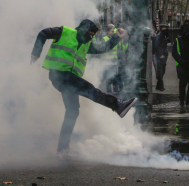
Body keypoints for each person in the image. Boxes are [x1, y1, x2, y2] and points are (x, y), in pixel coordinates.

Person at [30, 19, 137, 159]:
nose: (91, 37)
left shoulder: (86, 43)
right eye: (90, 33)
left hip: (69, 78)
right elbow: (43, 33)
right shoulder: (64, 32)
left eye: (93, 34)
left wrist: (117, 36)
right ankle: (117, 105)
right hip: (59, 75)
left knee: (73, 111)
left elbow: (103, 48)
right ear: (83, 29)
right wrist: (36, 52)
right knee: (91, 90)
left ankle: (63, 149)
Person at [172, 25, 189, 113]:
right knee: (183, 85)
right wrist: (181, 61)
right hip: (183, 66)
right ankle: (182, 100)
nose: (187, 34)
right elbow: (174, 53)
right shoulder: (179, 41)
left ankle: (188, 100)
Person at [100, 24, 120, 93]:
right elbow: (103, 49)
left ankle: (116, 91)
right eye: (111, 31)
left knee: (115, 77)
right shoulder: (104, 39)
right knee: (108, 77)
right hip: (107, 61)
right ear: (108, 31)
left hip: (114, 61)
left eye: (113, 31)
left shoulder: (115, 38)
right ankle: (109, 92)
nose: (113, 33)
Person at [153, 24, 170, 91]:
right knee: (160, 70)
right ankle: (160, 85)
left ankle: (158, 85)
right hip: (160, 55)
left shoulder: (164, 35)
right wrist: (160, 54)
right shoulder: (160, 35)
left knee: (162, 69)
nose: (165, 29)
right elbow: (156, 45)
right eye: (163, 27)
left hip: (163, 54)